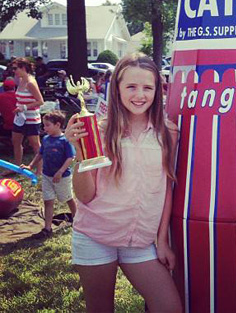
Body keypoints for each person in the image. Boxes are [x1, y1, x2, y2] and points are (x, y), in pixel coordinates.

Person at [64, 53, 182, 313]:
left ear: (157, 90)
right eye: (131, 86)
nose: (139, 94)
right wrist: (80, 153)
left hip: (141, 241)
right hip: (95, 235)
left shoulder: (168, 131)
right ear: (116, 89)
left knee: (170, 307)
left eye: (147, 87)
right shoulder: (99, 131)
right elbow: (84, 196)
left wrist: (162, 240)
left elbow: (166, 189)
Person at [22, 111, 77, 239]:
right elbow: (40, 154)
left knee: (68, 198)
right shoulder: (46, 139)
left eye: (47, 125)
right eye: (44, 125)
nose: (44, 128)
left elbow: (70, 158)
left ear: (57, 125)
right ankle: (47, 228)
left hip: (62, 177)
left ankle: (77, 218)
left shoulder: (65, 141)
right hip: (47, 176)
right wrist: (30, 166)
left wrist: (60, 172)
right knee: (48, 201)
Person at [11, 57, 44, 169]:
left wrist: (24, 107)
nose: (14, 71)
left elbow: (40, 101)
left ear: (23, 68)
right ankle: (17, 167)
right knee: (16, 141)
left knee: (35, 144)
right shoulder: (20, 80)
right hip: (20, 118)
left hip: (31, 119)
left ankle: (40, 170)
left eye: (15, 68)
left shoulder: (31, 82)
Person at [0, 78, 17, 148]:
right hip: (21, 126)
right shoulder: (18, 96)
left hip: (7, 128)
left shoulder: (1, 97)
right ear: (14, 87)